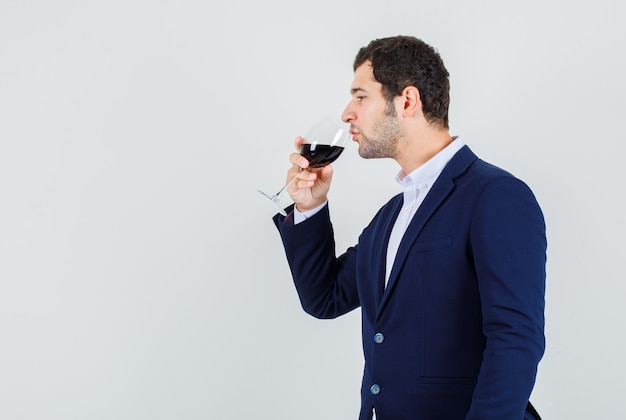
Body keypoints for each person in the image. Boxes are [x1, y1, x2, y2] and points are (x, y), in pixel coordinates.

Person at [272, 35, 546, 420]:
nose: (348, 112)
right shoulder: (392, 215)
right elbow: (326, 298)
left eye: (361, 96)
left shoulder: (497, 196)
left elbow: (515, 341)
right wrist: (311, 207)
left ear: (407, 101)